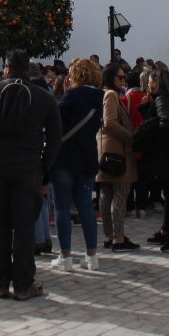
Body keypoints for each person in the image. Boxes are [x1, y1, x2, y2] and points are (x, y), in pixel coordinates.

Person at [0, 49, 62, 300]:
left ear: (6, 67)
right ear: (28, 69)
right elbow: (56, 137)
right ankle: (24, 283)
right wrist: (44, 167)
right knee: (24, 224)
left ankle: (0, 281)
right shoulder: (44, 97)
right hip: (27, 164)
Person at [49, 57, 105, 271]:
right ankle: (92, 256)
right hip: (87, 155)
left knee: (62, 207)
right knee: (85, 207)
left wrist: (63, 94)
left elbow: (55, 122)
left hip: (64, 157)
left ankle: (65, 257)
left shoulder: (71, 96)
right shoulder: (100, 97)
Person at [136, 64, 169, 252]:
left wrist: (152, 132)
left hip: (167, 153)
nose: (148, 83)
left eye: (150, 80)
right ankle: (166, 230)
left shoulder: (162, 100)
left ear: (156, 81)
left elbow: (166, 123)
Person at [96, 62, 139, 253]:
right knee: (120, 194)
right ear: (110, 77)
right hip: (117, 151)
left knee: (107, 194)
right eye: (120, 77)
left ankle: (109, 236)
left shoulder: (104, 93)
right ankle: (118, 238)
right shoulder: (111, 94)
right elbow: (110, 122)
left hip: (106, 150)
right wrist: (130, 135)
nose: (123, 80)